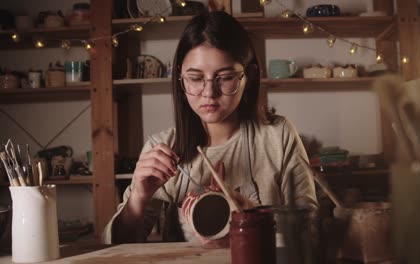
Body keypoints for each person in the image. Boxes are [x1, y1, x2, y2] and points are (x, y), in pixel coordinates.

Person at [102, 11, 318, 244]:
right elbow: (115, 247)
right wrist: (139, 197)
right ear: (180, 79)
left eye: (225, 77)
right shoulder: (162, 148)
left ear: (249, 76)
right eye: (195, 78)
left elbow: (311, 227)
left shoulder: (278, 135)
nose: (209, 93)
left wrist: (252, 214)